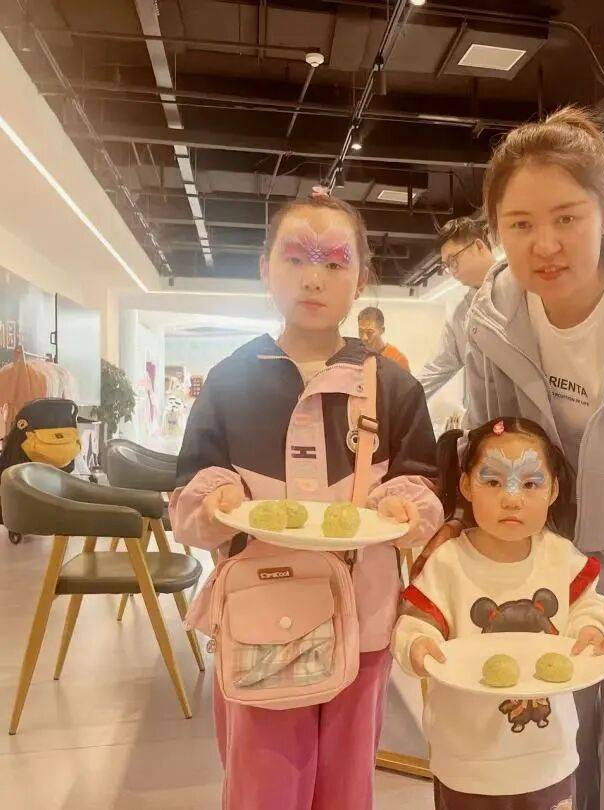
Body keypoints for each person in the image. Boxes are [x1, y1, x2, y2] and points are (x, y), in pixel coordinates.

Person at [413, 107, 604, 810]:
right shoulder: (488, 315)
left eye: (567, 218)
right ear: (495, 230)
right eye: (519, 224)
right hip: (534, 556)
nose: (544, 244)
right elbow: (488, 447)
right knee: (547, 735)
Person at [169, 194, 444, 810]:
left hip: (364, 614)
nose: (314, 278)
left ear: (361, 279)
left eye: (335, 262)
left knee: (348, 782)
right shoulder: (230, 380)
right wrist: (214, 501)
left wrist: (407, 509)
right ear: (264, 268)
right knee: (264, 781)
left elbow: (423, 482)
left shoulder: (394, 386)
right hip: (259, 617)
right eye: (295, 258)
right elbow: (189, 493)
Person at [392, 417, 604, 809]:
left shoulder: (560, 557)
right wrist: (417, 645)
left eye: (530, 484)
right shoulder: (448, 562)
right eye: (493, 481)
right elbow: (415, 622)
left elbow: (589, 606)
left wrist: (590, 629)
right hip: (467, 757)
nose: (512, 499)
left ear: (553, 490)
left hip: (547, 754)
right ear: (466, 486)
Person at [417, 217, 498, 399]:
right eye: (446, 265)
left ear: (478, 246)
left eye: (453, 259)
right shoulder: (459, 313)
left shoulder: (523, 289)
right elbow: (437, 368)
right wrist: (400, 400)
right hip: (482, 414)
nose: (451, 270)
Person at [358, 305, 411, 371]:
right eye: (361, 332)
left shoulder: (397, 359)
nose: (364, 337)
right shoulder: (356, 356)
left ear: (382, 330)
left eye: (369, 332)